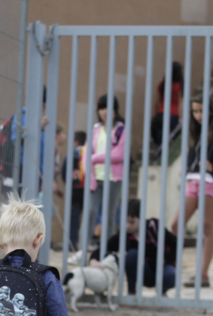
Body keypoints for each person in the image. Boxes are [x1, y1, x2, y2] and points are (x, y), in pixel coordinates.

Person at [169, 98, 213, 288]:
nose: (198, 115)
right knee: (176, 224)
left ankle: (203, 274)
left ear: (210, 111)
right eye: (195, 111)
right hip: (193, 181)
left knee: (207, 227)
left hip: (209, 182)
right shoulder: (193, 132)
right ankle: (172, 265)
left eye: (201, 111)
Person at [103, 199, 178, 296]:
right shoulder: (124, 234)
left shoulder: (154, 226)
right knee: (131, 254)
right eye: (125, 222)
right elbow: (104, 247)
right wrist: (93, 259)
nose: (128, 226)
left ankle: (162, 291)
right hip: (143, 273)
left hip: (162, 269)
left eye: (132, 222)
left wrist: (167, 258)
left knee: (171, 275)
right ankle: (131, 293)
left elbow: (176, 243)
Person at [85, 94, 126, 247]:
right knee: (90, 211)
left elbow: (118, 155)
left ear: (115, 110)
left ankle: (107, 247)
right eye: (101, 108)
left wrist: (95, 158)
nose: (104, 111)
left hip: (113, 179)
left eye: (108, 107)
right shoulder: (95, 130)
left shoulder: (121, 129)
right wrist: (91, 176)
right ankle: (84, 244)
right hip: (96, 177)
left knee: (109, 215)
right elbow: (86, 154)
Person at [62, 131, 87, 250]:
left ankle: (71, 244)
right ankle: (85, 243)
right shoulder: (89, 152)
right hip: (88, 190)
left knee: (73, 218)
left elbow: (64, 173)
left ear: (76, 141)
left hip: (74, 190)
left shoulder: (71, 154)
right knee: (87, 216)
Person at [150, 61, 183, 149]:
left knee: (160, 132)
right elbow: (180, 102)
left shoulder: (162, 85)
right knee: (174, 135)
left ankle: (160, 148)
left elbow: (156, 102)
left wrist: (157, 113)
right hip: (174, 114)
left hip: (161, 113)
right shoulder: (179, 86)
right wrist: (181, 117)